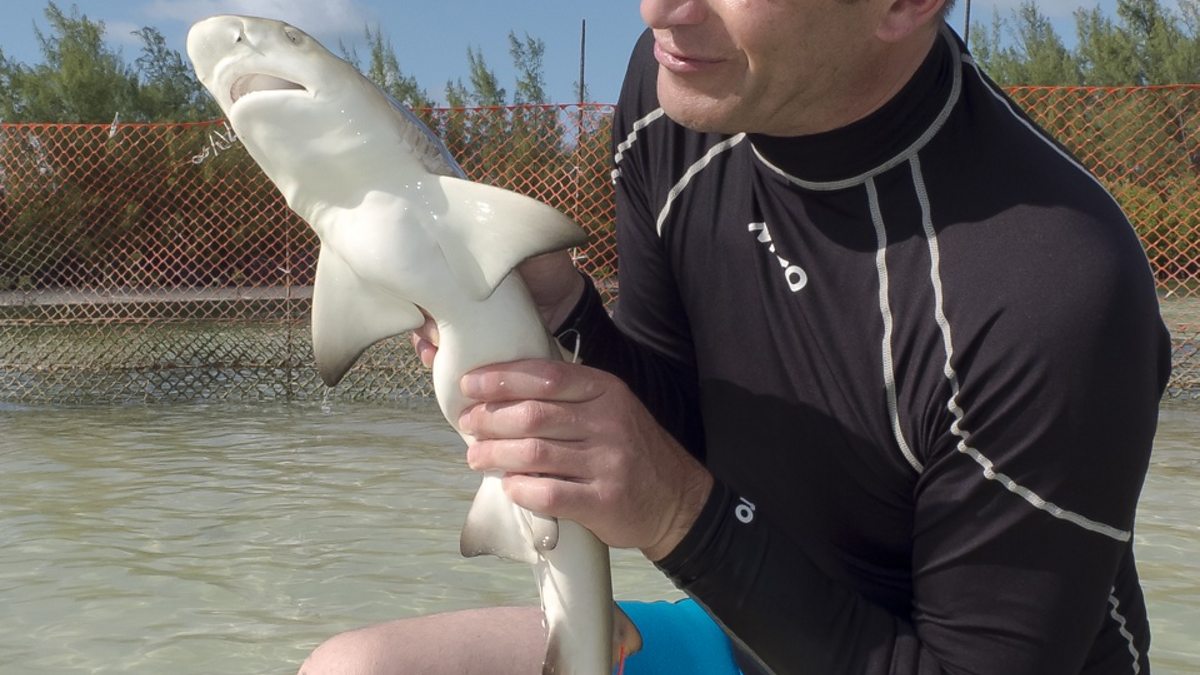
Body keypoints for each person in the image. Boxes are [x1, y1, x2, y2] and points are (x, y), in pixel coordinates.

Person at [298, 0, 1171, 673]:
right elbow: (675, 402)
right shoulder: (679, 93)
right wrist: (567, 313)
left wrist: (680, 511)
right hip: (752, 641)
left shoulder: (1051, 289)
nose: (658, 13)